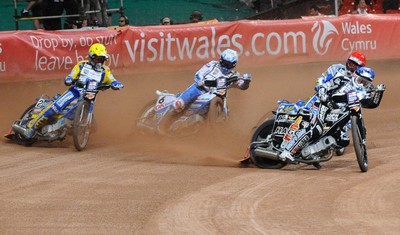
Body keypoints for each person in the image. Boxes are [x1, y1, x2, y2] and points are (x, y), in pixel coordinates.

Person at [13, 43, 124, 139]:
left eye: (102, 59)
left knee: (94, 127)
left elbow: (112, 79)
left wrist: (116, 83)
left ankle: (71, 128)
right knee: (55, 108)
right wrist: (69, 79)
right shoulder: (82, 65)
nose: (100, 62)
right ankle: (30, 129)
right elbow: (72, 74)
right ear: (91, 57)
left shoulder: (105, 71)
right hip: (75, 92)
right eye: (98, 59)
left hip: (90, 96)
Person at [279, 66, 385, 162]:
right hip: (324, 105)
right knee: (316, 129)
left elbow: (371, 104)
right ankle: (287, 151)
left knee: (342, 140)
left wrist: (379, 94)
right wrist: (322, 91)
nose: (362, 84)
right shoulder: (342, 80)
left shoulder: (366, 91)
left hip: (340, 114)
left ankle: (311, 152)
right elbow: (324, 84)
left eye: (365, 83)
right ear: (354, 76)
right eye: (360, 80)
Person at [173, 49, 252, 112]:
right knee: (178, 104)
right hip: (201, 89)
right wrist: (200, 80)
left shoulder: (234, 75)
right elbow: (199, 73)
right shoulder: (212, 64)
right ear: (220, 60)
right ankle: (178, 104)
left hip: (218, 96)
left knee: (227, 114)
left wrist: (246, 81)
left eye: (228, 65)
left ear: (234, 65)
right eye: (224, 63)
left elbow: (242, 86)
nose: (225, 67)